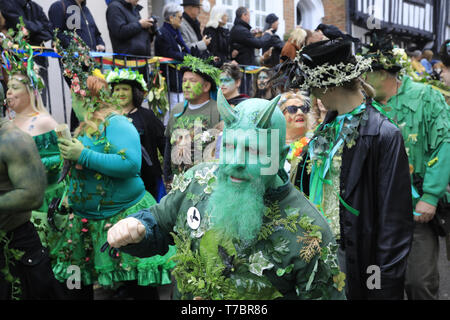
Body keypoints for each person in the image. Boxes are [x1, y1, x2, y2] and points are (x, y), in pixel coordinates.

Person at [106, 90, 346, 300]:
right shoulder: (197, 182)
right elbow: (159, 223)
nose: (236, 163)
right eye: (230, 147)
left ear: (280, 156)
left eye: (252, 150)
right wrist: (138, 228)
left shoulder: (311, 232)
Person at [278, 38, 414, 299]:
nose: (313, 96)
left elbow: (393, 223)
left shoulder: (382, 134)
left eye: (313, 88)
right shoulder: (323, 130)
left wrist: (379, 287)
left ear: (327, 87)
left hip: (352, 258)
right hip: (312, 253)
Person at [53, 37, 175, 300]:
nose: (73, 102)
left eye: (76, 96)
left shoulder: (116, 123)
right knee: (90, 285)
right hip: (89, 221)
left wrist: (82, 154)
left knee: (135, 286)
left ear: (89, 98)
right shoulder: (83, 127)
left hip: (122, 216)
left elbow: (131, 164)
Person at [363, 33, 450, 300]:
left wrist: (431, 195)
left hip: (417, 210)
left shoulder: (426, 98)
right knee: (375, 285)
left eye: (365, 74)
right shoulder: (364, 107)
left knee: (418, 283)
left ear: (383, 72)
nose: (360, 81)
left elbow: (444, 143)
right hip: (376, 213)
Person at [107, 68, 167, 202]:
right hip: (121, 179)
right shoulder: (108, 118)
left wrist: (169, 171)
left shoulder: (147, 116)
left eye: (125, 89)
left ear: (134, 92)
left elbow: (163, 143)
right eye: (117, 89)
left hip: (148, 179)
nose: (120, 93)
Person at [48, 0, 106, 133]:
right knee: (81, 97)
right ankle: (77, 133)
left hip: (90, 63)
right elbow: (58, 34)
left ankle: (87, 132)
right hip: (73, 63)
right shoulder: (62, 6)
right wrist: (77, 49)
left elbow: (96, 34)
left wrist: (100, 44)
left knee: (89, 97)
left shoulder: (84, 8)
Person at [163, 55, 221, 184]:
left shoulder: (218, 110)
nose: (187, 85)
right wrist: (167, 177)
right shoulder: (177, 110)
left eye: (193, 81)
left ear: (206, 86)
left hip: (205, 183)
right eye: (184, 81)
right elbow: (168, 145)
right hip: (178, 182)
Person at [0, 0, 53, 104]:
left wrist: (31, 29)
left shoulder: (35, 6)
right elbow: (19, 25)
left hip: (39, 60)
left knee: (41, 102)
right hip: (18, 63)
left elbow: (49, 32)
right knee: (22, 103)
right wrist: (39, 26)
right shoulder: (7, 3)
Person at [154, 2, 189, 125]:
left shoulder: (176, 33)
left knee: (179, 106)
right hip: (169, 77)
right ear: (171, 18)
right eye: (180, 17)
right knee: (173, 107)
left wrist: (185, 56)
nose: (181, 20)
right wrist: (184, 57)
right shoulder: (163, 33)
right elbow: (169, 53)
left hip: (177, 75)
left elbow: (184, 50)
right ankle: (167, 133)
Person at [106, 0, 156, 82]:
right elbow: (120, 31)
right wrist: (140, 24)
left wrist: (149, 32)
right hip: (127, 66)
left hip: (141, 64)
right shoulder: (114, 8)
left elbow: (137, 35)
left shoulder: (133, 9)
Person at [230, 6, 272, 95]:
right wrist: (267, 35)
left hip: (244, 66)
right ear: (243, 15)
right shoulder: (241, 30)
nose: (249, 18)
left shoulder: (238, 28)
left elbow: (246, 43)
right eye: (248, 15)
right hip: (243, 67)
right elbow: (258, 44)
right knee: (244, 92)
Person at [278, 92, 311, 183]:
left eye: (303, 109)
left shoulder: (313, 144)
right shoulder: (272, 145)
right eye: (293, 109)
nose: (300, 112)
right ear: (280, 115)